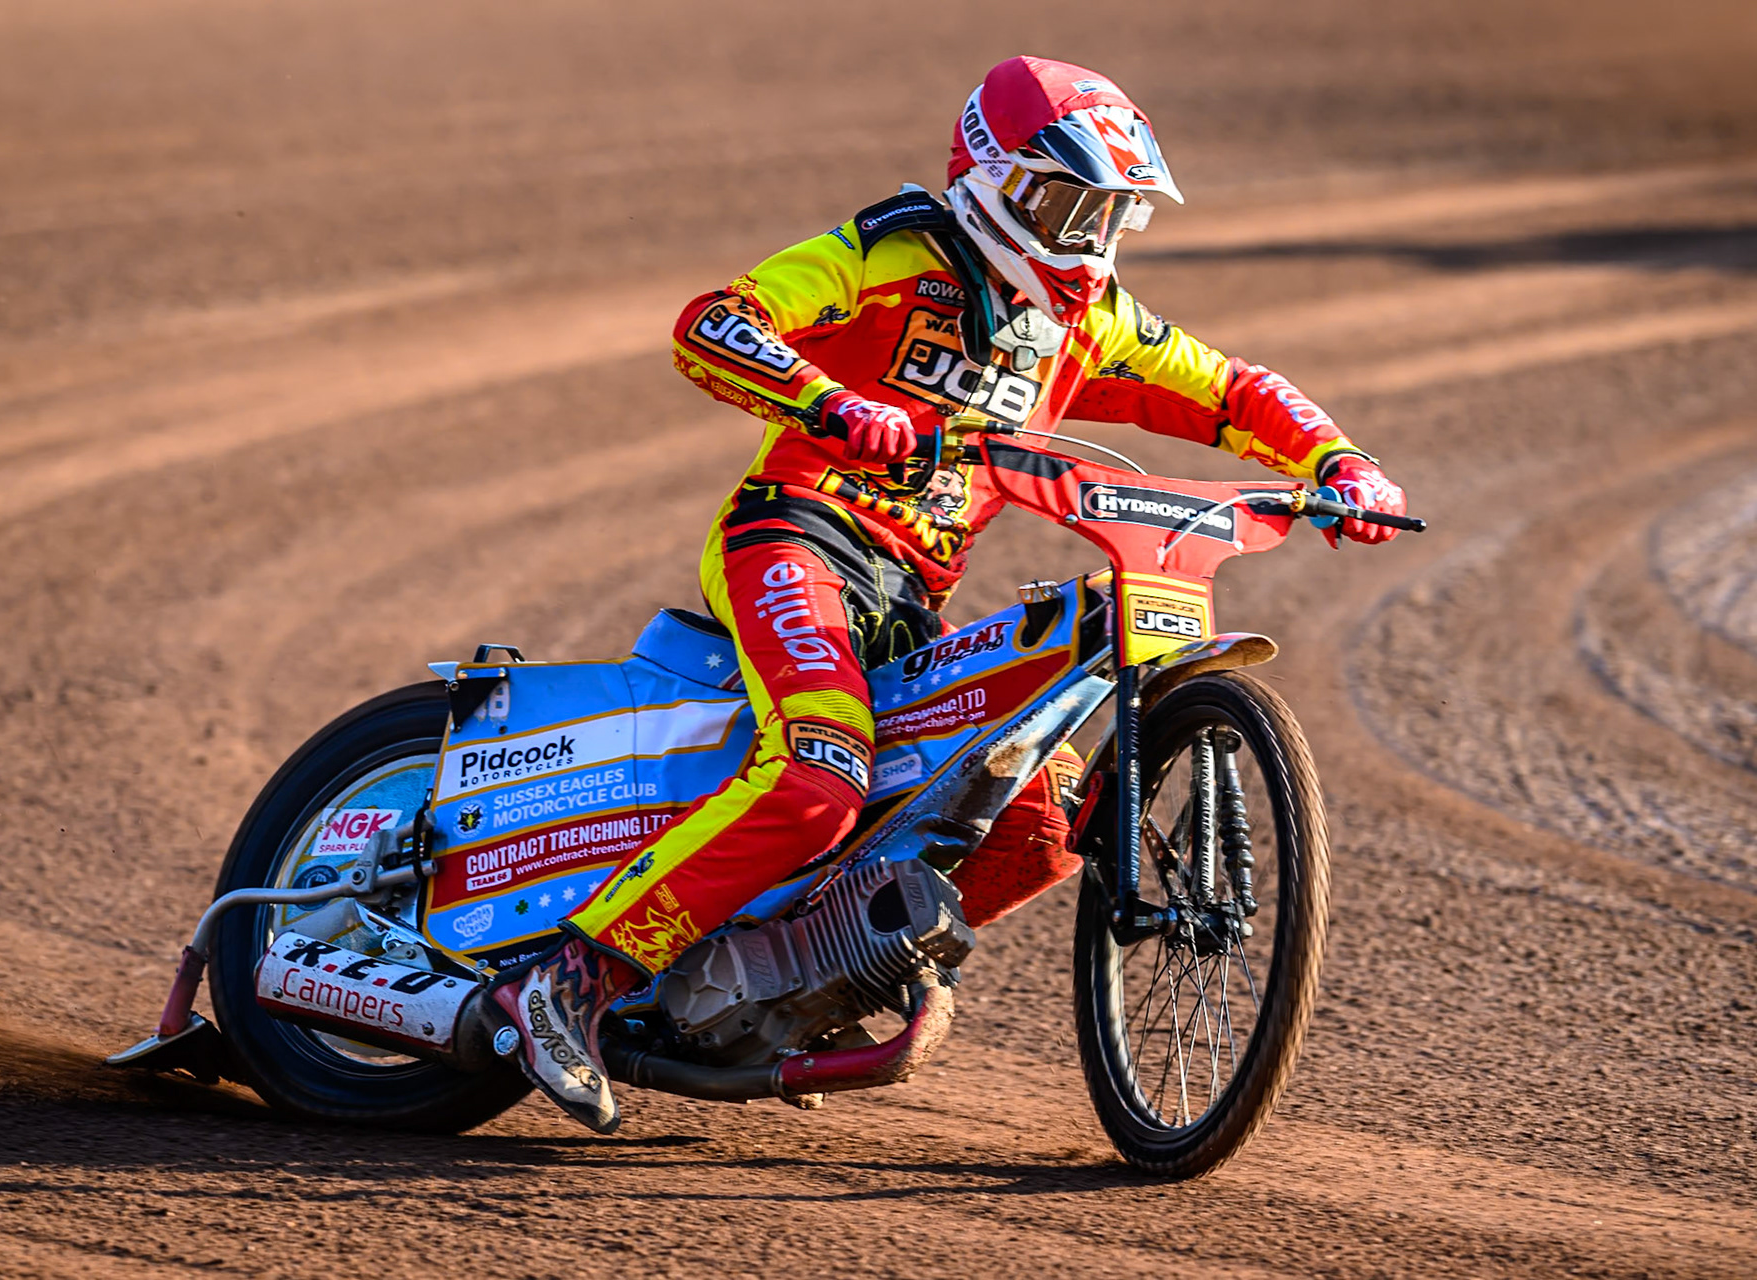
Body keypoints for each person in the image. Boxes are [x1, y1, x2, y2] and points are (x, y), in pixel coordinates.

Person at [482, 54, 1407, 1133]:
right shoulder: (887, 252)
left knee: (1041, 818)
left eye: (1111, 215)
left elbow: (1231, 388)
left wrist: (1339, 463)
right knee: (822, 770)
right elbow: (716, 322)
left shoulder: (1088, 318)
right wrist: (832, 403)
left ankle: (804, 967)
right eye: (1065, 205)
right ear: (992, 182)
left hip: (911, 590)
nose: (1086, 240)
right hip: (801, 535)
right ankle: (571, 979)